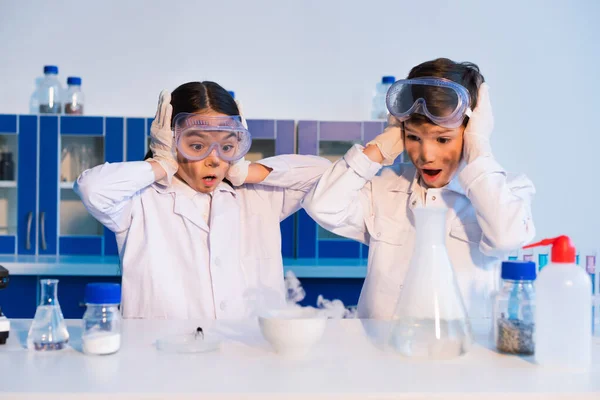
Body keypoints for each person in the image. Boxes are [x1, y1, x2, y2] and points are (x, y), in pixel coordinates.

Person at [302, 58, 536, 320]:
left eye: (443, 139)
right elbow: (321, 206)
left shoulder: (507, 189)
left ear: (470, 132)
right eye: (413, 137)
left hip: (461, 354)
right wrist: (380, 147)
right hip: (382, 353)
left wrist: (479, 149)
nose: (426, 155)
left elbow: (506, 238)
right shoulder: (384, 187)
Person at [75, 81, 330, 319]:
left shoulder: (259, 196)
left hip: (249, 358)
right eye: (197, 146)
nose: (214, 159)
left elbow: (324, 174)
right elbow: (91, 188)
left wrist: (247, 170)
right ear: (172, 142)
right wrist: (161, 163)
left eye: (227, 147)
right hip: (160, 359)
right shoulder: (140, 202)